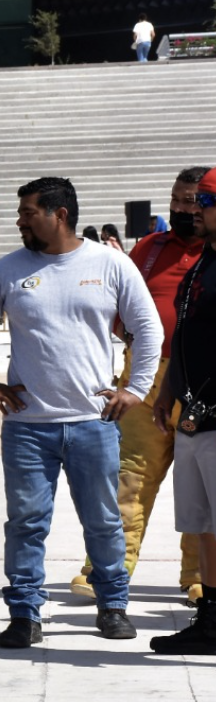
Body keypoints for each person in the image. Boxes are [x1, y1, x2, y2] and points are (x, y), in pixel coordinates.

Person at [0, 177, 161, 648]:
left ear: (59, 214)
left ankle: (112, 606)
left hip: (94, 424)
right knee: (26, 523)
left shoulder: (109, 264)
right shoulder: (9, 270)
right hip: (28, 427)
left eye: (28, 213)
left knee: (104, 520)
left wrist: (136, 388)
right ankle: (25, 613)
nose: (20, 221)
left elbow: (147, 328)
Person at [71, 168, 211, 604]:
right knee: (128, 477)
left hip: (203, 381)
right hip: (147, 379)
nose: (184, 209)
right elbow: (116, 303)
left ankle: (202, 578)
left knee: (204, 482)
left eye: (194, 201)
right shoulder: (149, 249)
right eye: (177, 200)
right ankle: (108, 568)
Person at [151, 168, 216, 655]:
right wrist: (167, 392)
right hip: (193, 414)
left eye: (206, 201)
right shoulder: (201, 265)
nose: (196, 209)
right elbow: (184, 334)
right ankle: (210, 619)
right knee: (205, 524)